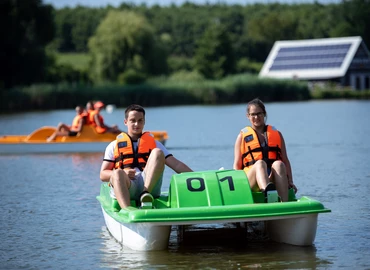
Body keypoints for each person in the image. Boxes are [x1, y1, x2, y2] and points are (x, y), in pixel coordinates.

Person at [99, 104, 193, 209]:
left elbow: (176, 164)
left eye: (140, 120)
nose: (136, 124)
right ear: (125, 122)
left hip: (149, 186)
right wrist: (124, 172)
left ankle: (145, 195)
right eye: (132, 120)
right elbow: (102, 175)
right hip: (128, 185)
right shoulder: (113, 145)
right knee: (117, 173)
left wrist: (197, 176)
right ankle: (127, 211)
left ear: (144, 122)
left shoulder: (155, 144)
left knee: (157, 152)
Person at [233, 98, 297, 202]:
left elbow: (285, 160)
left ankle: (284, 205)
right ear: (248, 116)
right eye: (253, 114)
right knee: (260, 164)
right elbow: (236, 165)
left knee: (279, 164)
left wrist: (290, 181)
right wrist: (237, 188)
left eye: (259, 114)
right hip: (250, 181)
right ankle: (267, 194)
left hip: (271, 178)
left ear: (264, 114)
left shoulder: (277, 135)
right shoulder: (242, 136)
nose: (256, 117)